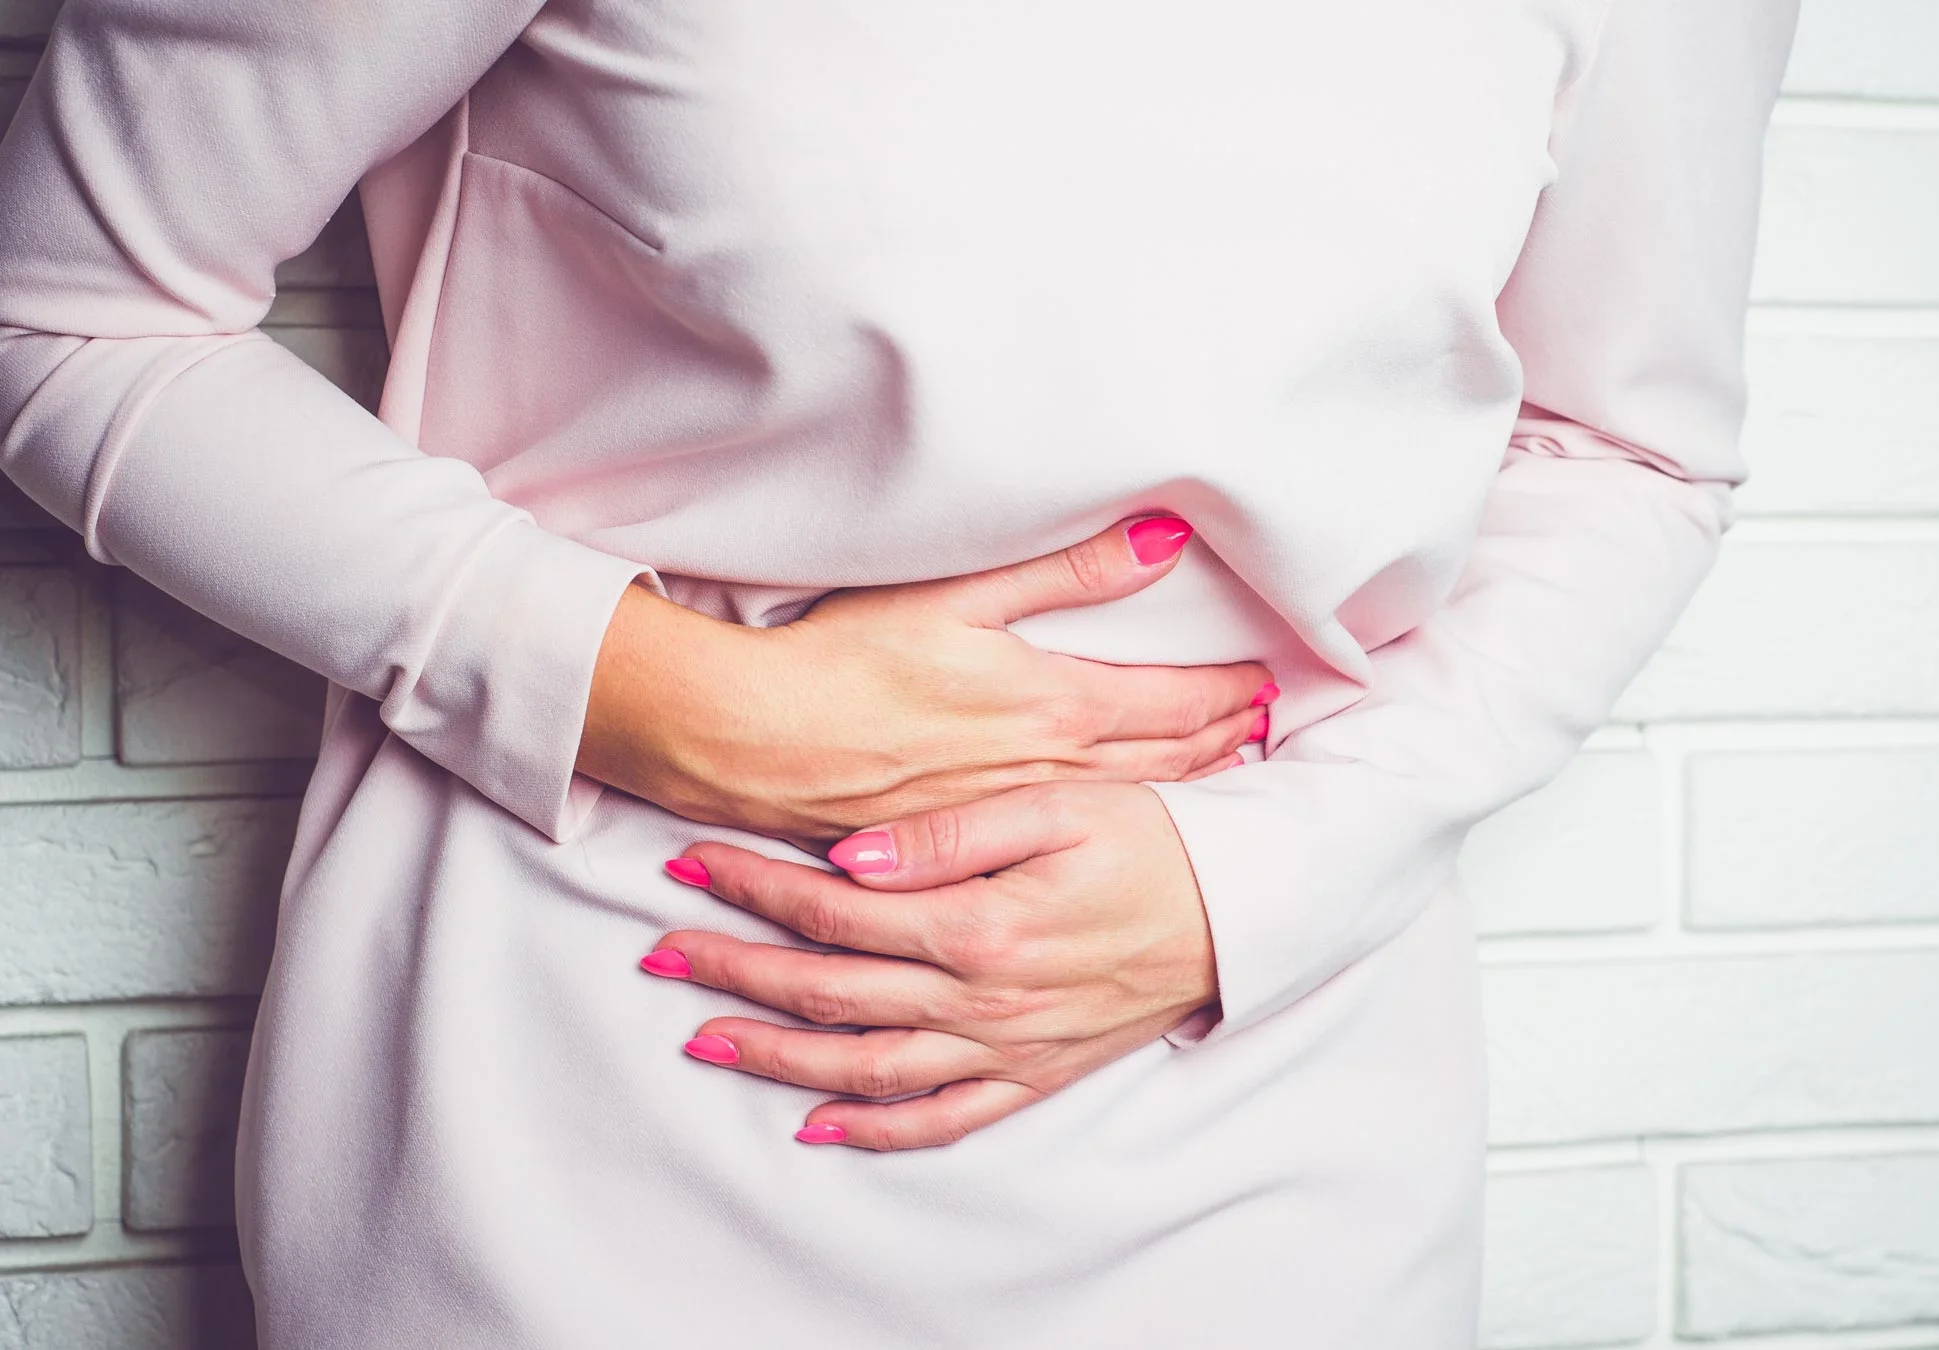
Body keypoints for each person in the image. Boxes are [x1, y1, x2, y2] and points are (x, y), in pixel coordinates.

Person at [0, 0, 1801, 1344]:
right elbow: (60, 302)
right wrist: (646, 684)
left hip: (1263, 1111)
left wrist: (1253, 880)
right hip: (589, 1081)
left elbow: (1630, 445)